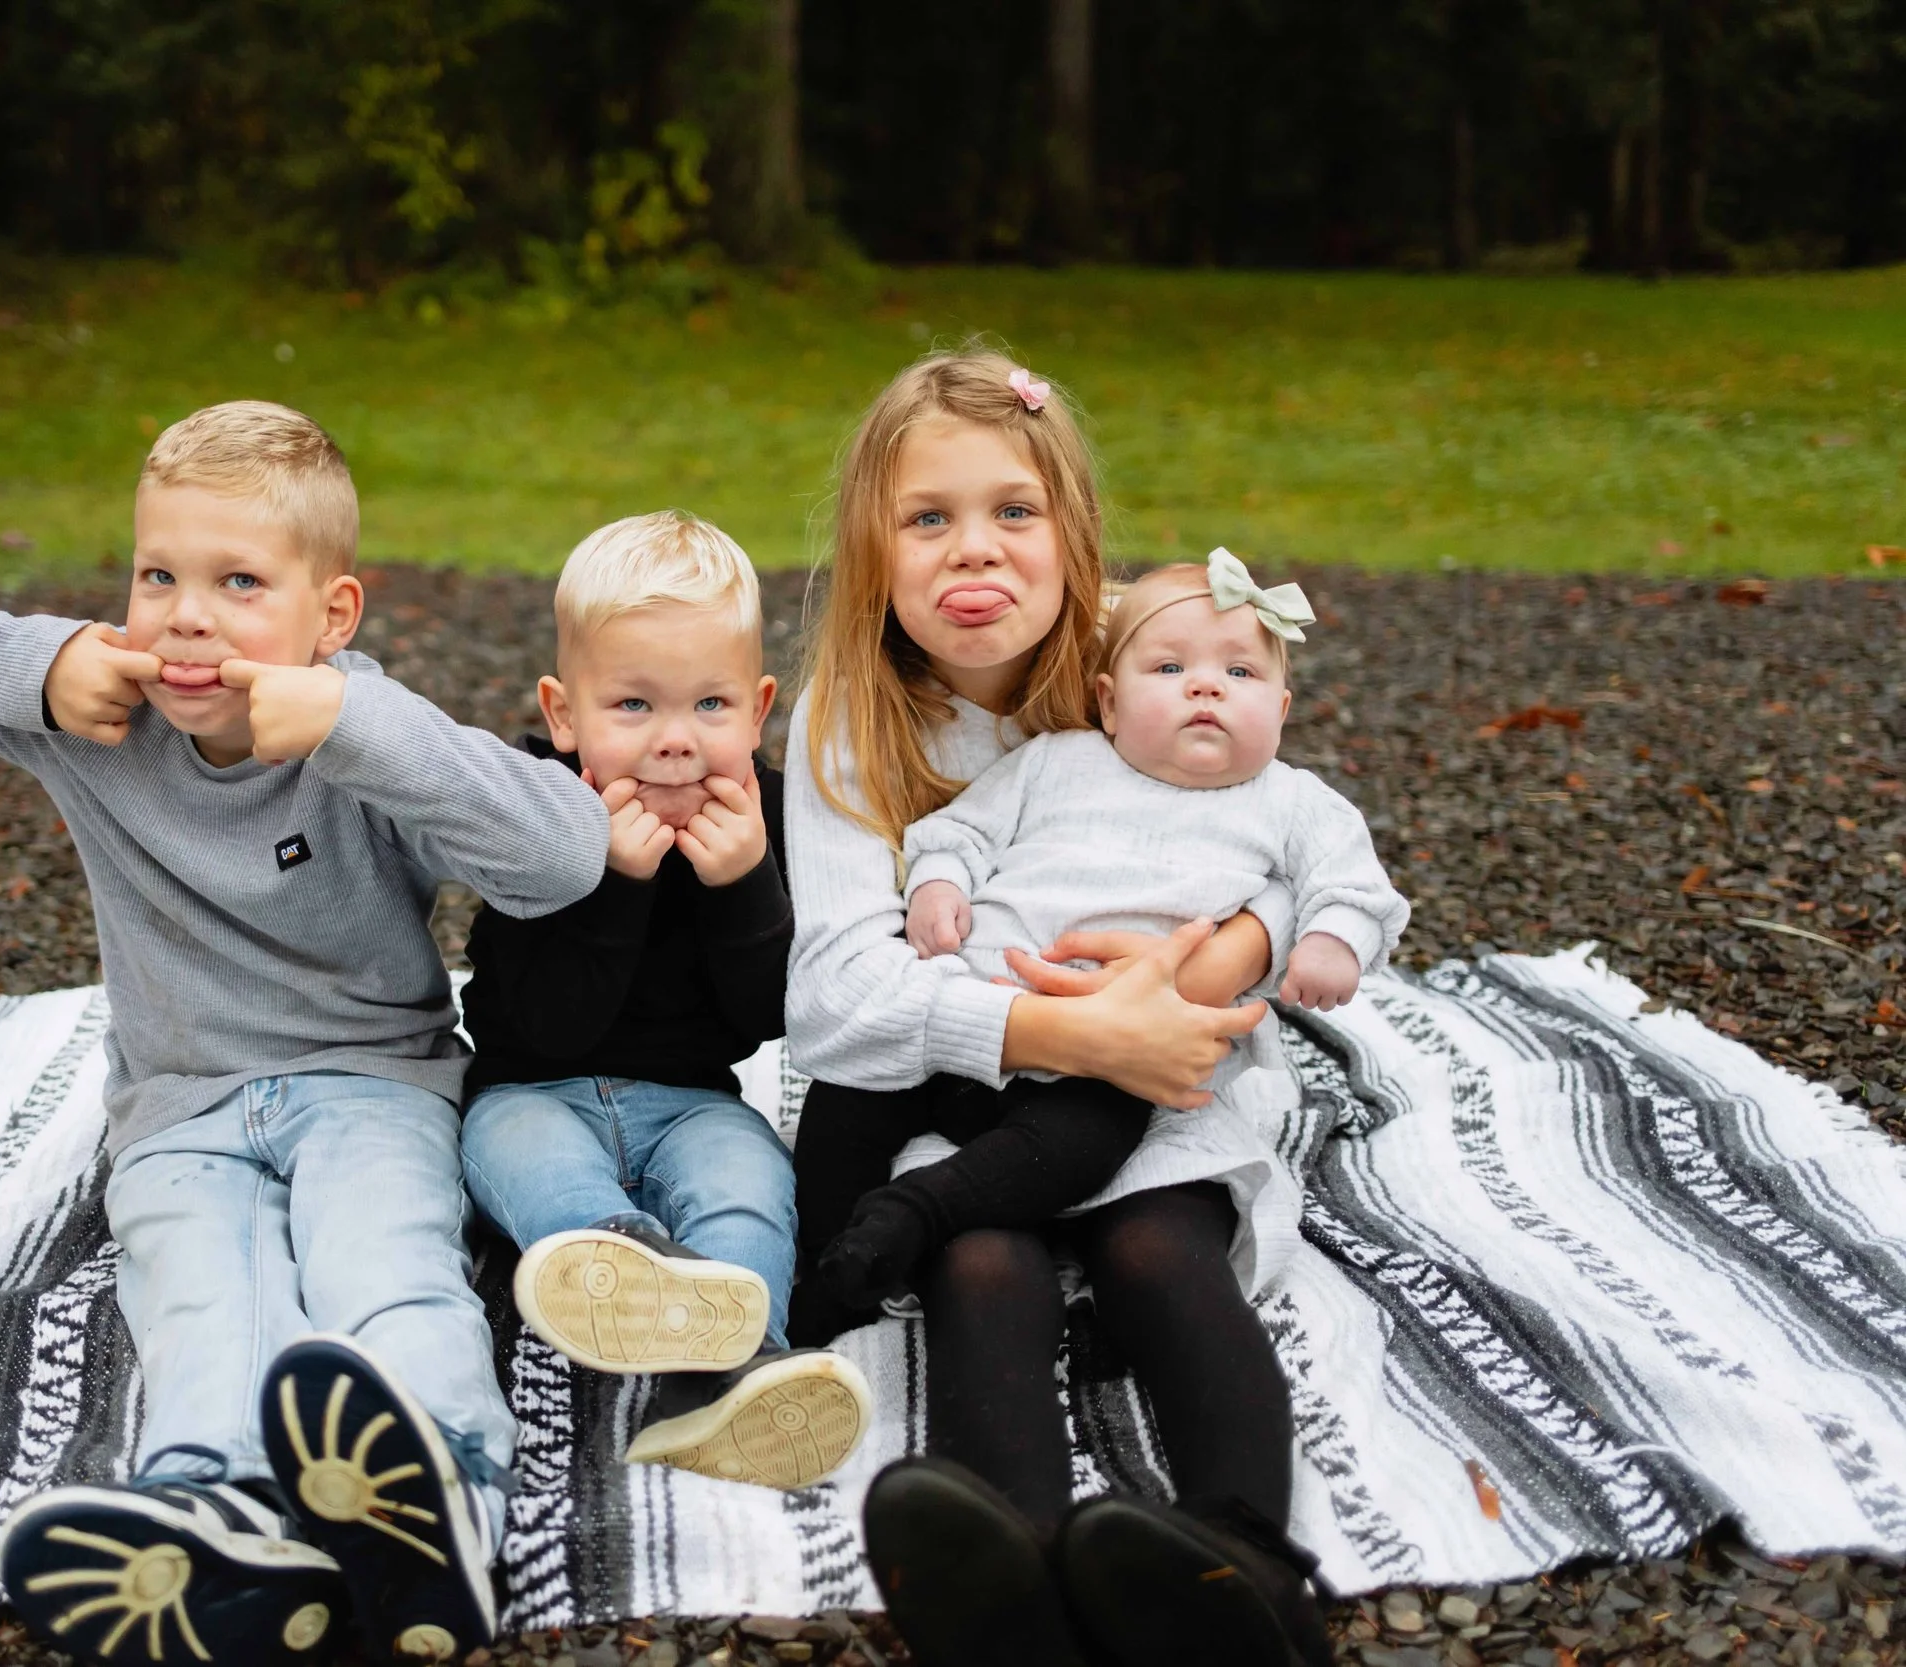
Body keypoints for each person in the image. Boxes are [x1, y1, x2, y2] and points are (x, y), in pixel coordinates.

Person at [0, 401, 610, 1667]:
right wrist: (43, 663)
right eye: (160, 576)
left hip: (372, 1086)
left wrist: (357, 728)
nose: (186, 614)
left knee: (385, 1263)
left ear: (333, 615)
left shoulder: (360, 729)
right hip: (181, 1103)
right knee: (204, 1289)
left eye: (238, 581)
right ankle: (222, 1519)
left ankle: (445, 1502)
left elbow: (564, 856)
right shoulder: (100, 717)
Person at [784, 350, 1335, 1667]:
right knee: (983, 1257)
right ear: (874, 550)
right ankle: (1010, 1572)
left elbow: (1285, 840)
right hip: (968, 1086)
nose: (976, 548)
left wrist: (1223, 961)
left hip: (1157, 1073)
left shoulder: (1146, 663)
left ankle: (1247, 1562)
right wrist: (1063, 1030)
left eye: (1012, 512)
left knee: (1160, 1250)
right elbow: (836, 1002)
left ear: (1072, 532)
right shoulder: (851, 724)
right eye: (929, 518)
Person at [814, 550, 1407, 1309]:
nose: (1205, 685)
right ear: (1108, 702)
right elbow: (963, 829)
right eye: (1167, 668)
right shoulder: (1057, 761)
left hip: (1106, 1061)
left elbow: (1352, 882)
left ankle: (914, 1213)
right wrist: (939, 881)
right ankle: (822, 1266)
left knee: (1080, 1146)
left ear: (1282, 710)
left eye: (1242, 673)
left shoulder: (1290, 801)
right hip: (970, 1014)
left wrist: (1331, 939)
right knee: (848, 1097)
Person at [457, 510, 871, 1493]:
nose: (676, 742)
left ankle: (739, 1373)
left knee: (751, 1177)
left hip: (693, 1097)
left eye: (710, 706)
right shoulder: (539, 812)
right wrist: (611, 884)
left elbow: (773, 1019)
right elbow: (538, 1021)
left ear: (758, 707)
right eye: (633, 706)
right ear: (566, 715)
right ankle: (622, 1249)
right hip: (534, 1086)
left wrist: (744, 888)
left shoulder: (766, 816)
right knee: (517, 1152)